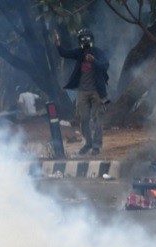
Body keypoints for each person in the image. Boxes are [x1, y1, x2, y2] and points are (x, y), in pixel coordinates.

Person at [53, 28, 110, 156]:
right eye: (82, 39)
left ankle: (96, 146)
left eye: (86, 38)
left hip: (97, 91)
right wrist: (57, 43)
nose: (84, 41)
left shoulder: (98, 52)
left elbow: (105, 65)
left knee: (97, 119)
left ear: (91, 40)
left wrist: (93, 60)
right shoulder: (79, 53)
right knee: (83, 119)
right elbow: (64, 53)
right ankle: (88, 143)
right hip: (82, 92)